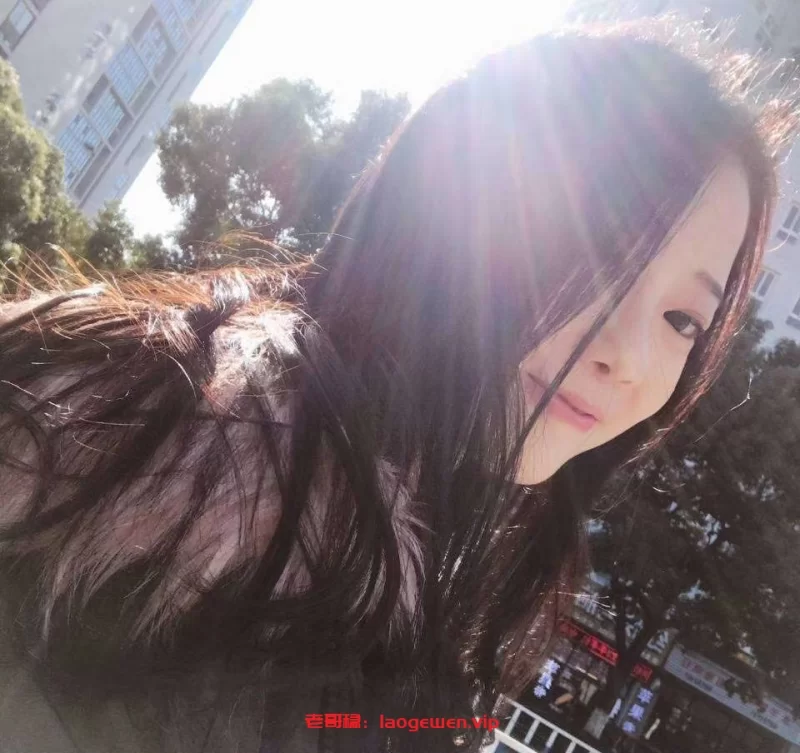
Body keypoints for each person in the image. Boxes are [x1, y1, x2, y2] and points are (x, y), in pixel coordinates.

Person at [0, 17, 796, 753]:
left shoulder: (452, 588)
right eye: (601, 253)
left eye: (683, 320)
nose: (628, 356)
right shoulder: (127, 455)